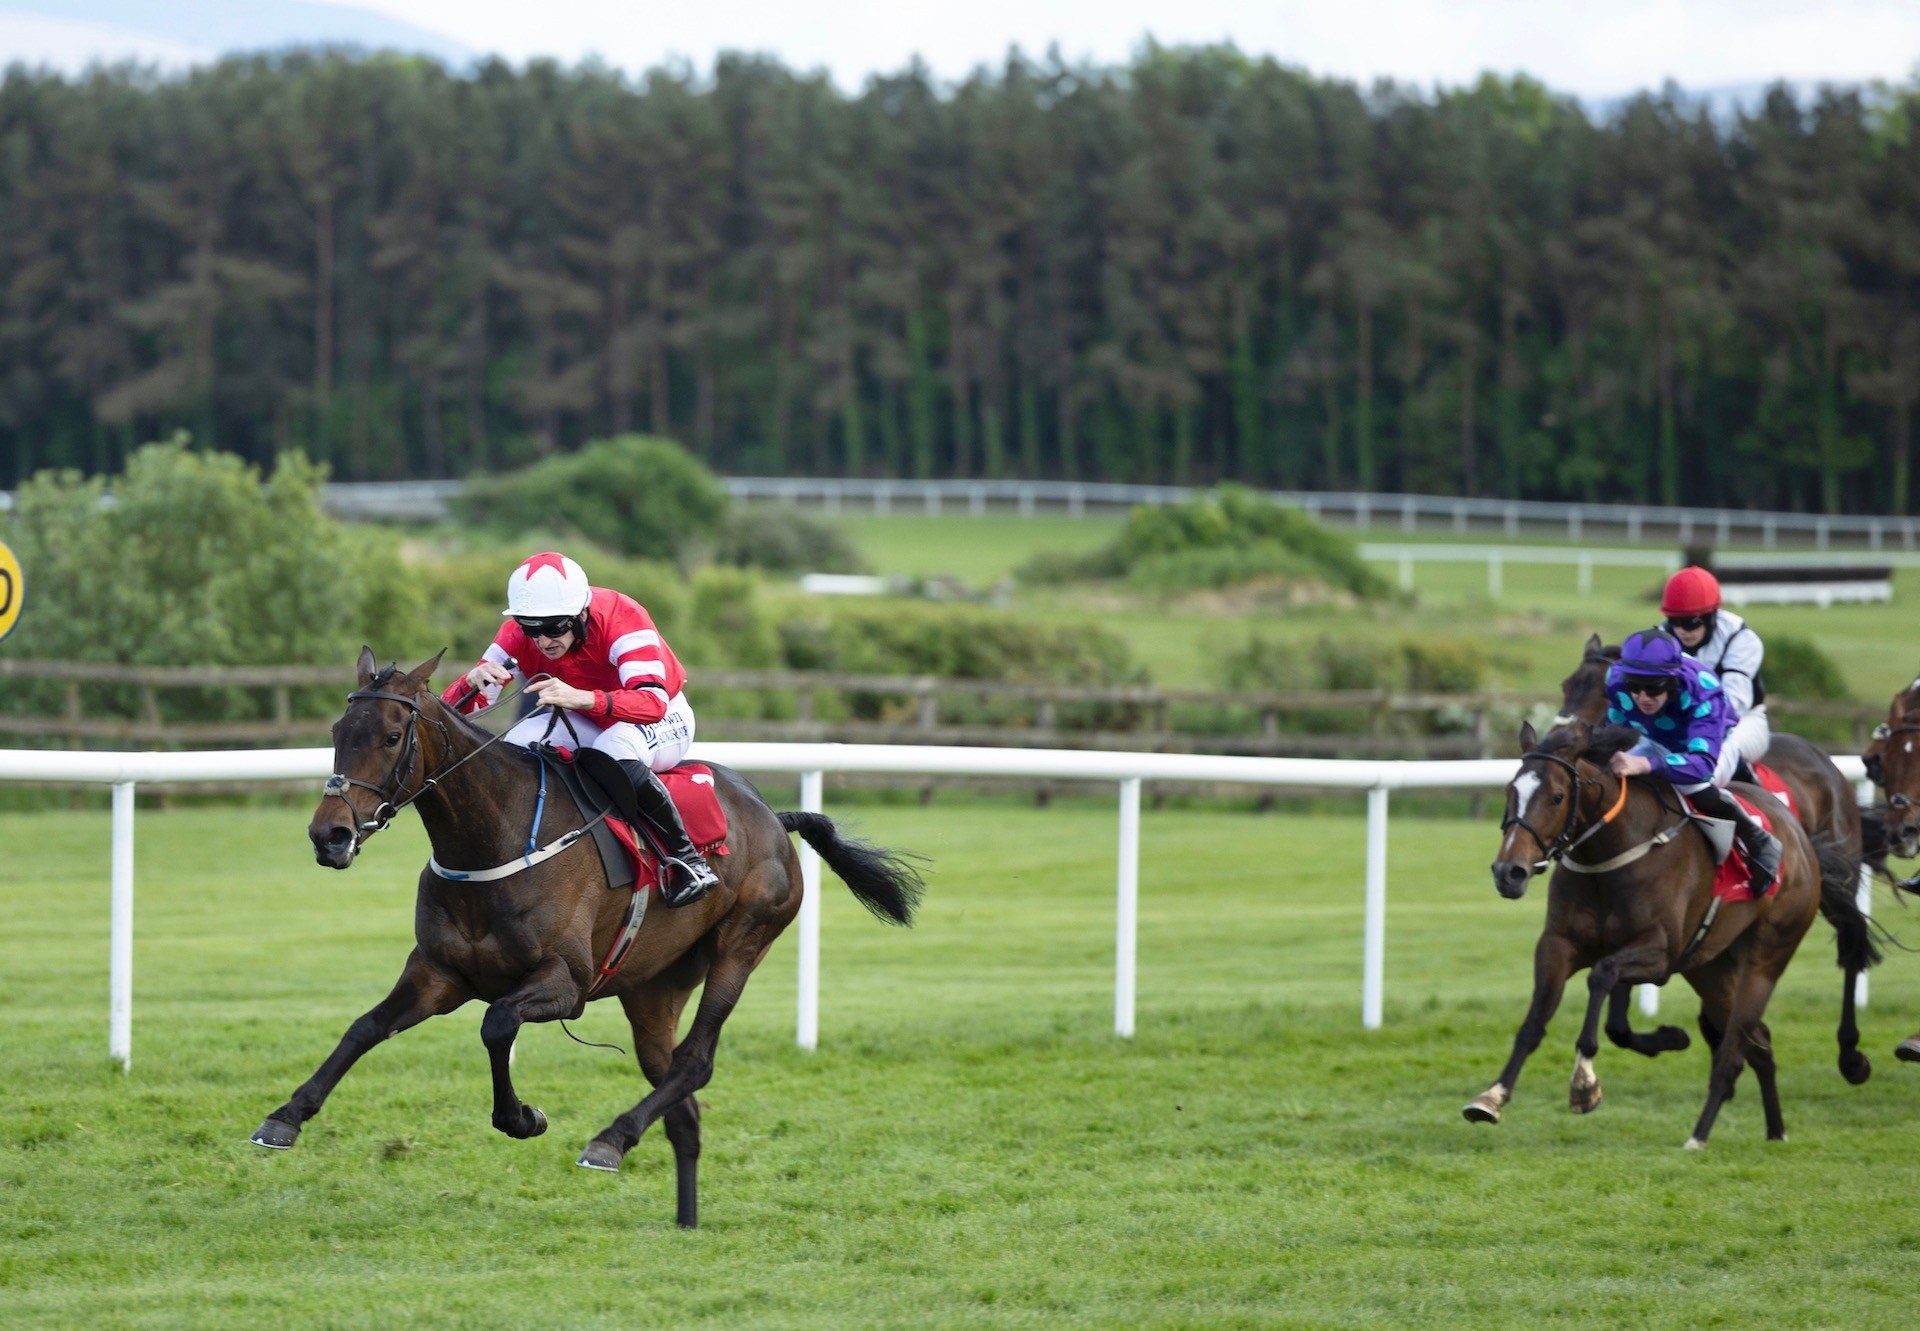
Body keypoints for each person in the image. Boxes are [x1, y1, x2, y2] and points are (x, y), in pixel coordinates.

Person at [443, 551, 718, 907]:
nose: (542, 641)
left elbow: (651, 705)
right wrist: (469, 684)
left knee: (612, 750)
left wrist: (584, 698)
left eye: (555, 627)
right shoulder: (519, 630)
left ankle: (687, 861)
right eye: (531, 629)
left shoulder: (623, 617)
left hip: (661, 716)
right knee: (516, 744)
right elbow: (456, 715)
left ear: (582, 613)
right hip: (589, 714)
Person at [1604, 628, 1783, 894]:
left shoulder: (1702, 690)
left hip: (1713, 742)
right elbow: (1612, 733)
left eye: (1653, 689)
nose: (1642, 697)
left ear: (1672, 682)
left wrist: (1647, 765)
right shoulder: (1616, 679)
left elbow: (1700, 766)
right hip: (1657, 740)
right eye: (1635, 687)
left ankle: (1758, 840)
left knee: (1693, 785)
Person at [1660, 565, 1769, 777]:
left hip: (1743, 723)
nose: (1682, 630)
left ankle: (1744, 806)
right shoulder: (1661, 638)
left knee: (1721, 753)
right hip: (1679, 724)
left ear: (1711, 616)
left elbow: (1734, 704)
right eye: (1674, 622)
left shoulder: (1742, 640)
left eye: (1691, 622)